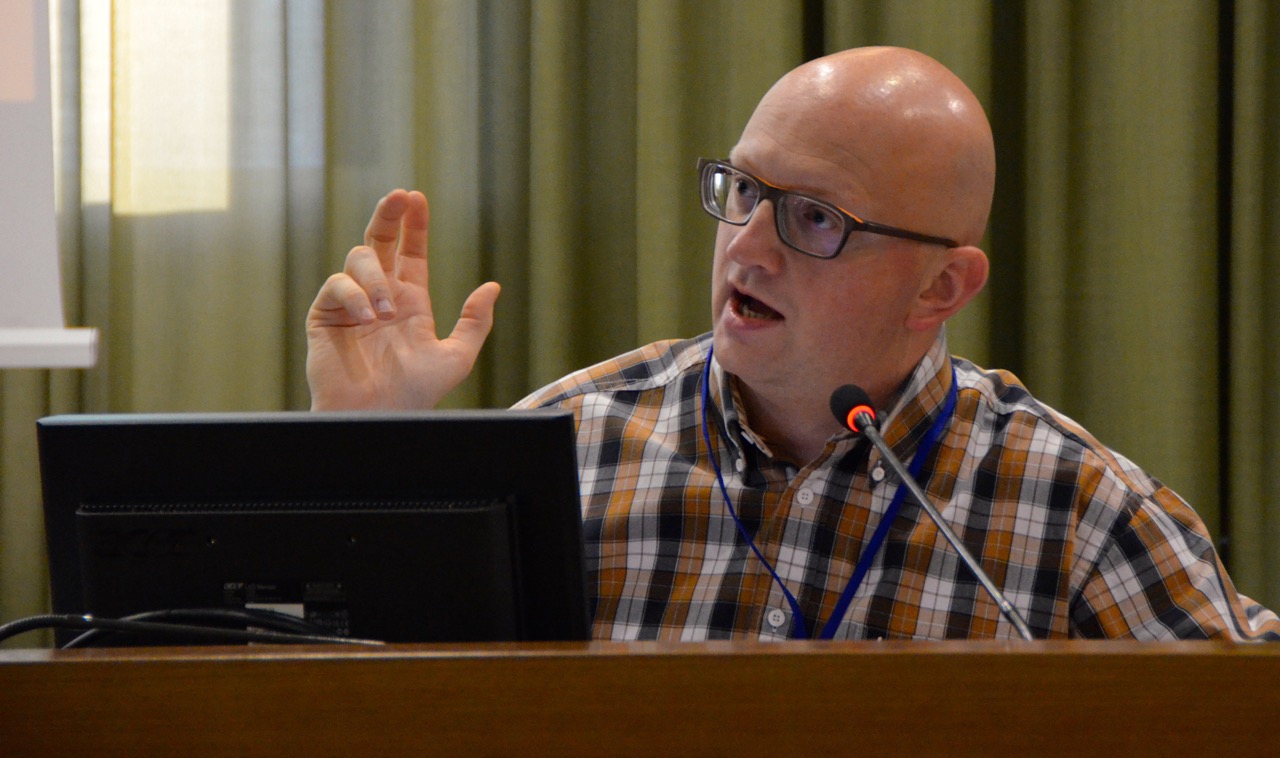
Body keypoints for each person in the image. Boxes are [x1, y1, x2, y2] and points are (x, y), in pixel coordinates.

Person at [306, 46, 1279, 641]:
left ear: (940, 287)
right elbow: (352, 689)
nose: (747, 246)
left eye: (815, 218)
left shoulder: (1077, 514)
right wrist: (363, 450)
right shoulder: (570, 449)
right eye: (743, 189)